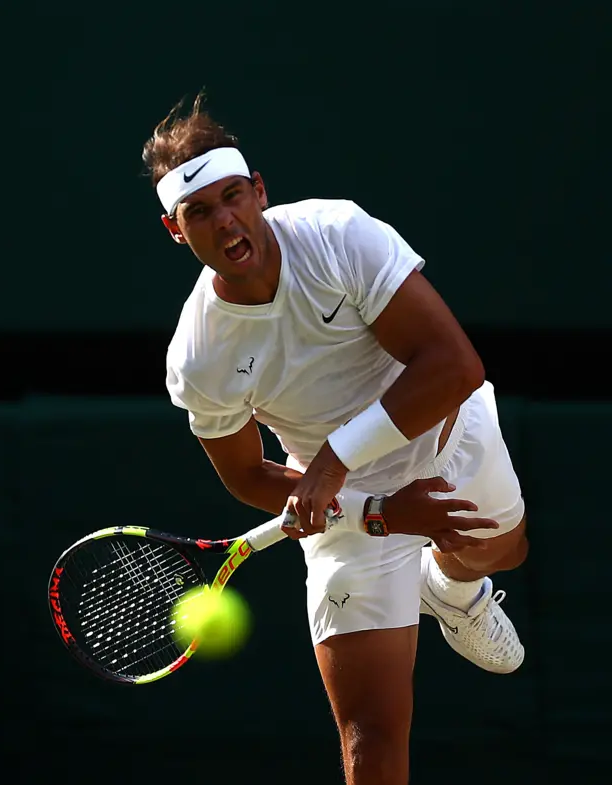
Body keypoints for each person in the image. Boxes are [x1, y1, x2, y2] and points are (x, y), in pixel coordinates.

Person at [142, 95, 528, 785]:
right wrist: (374, 509)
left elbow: (454, 366)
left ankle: (455, 589)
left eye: (233, 196)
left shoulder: (336, 234)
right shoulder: (198, 355)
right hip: (349, 508)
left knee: (505, 549)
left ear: (259, 191)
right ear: (176, 229)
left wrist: (334, 458)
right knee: (369, 735)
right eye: (200, 211)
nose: (225, 218)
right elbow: (247, 477)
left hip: (443, 436)